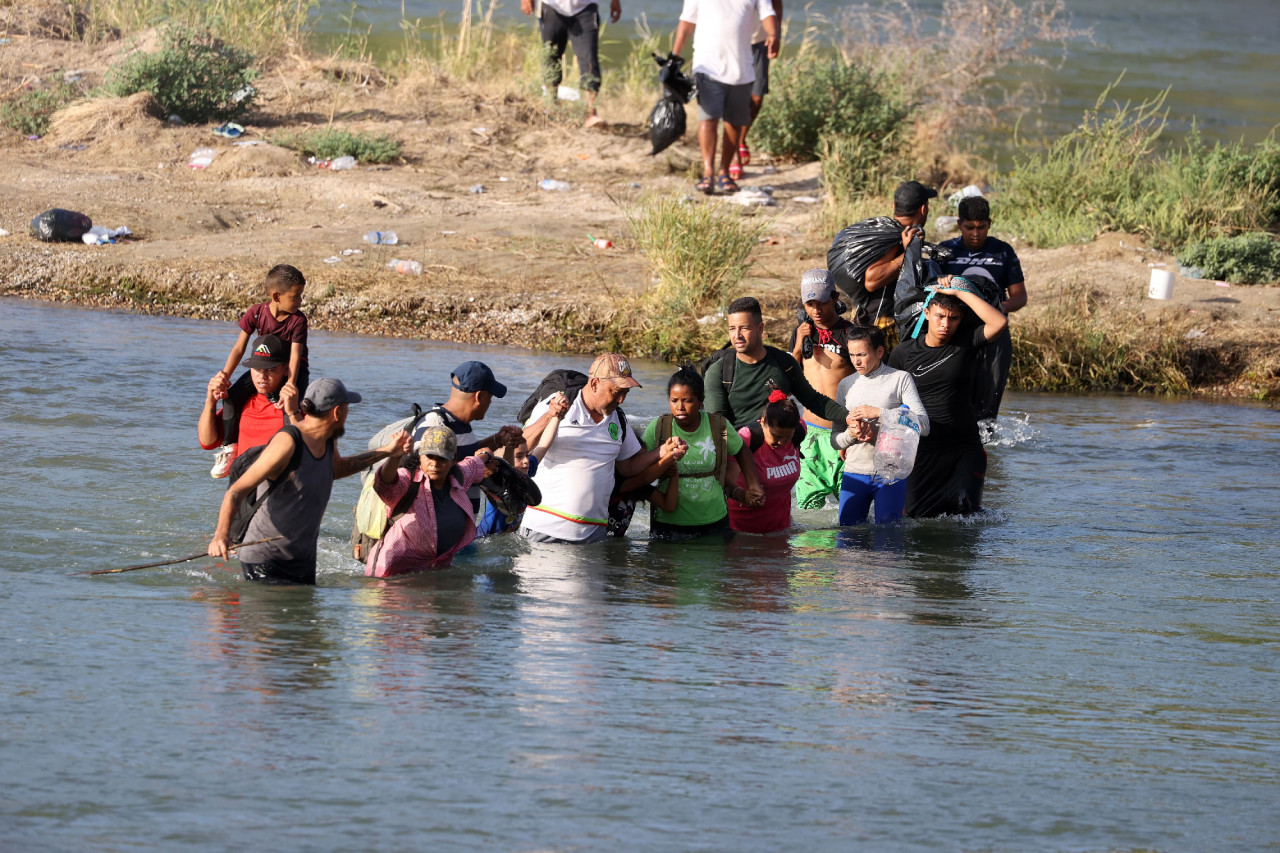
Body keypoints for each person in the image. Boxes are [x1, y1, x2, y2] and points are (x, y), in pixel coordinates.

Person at [207, 378, 411, 584]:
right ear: (337, 412)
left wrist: (387, 451)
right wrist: (220, 536)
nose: (347, 414)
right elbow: (236, 491)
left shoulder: (328, 439)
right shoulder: (288, 442)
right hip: (266, 558)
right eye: (347, 408)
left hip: (302, 558)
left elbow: (338, 469)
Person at [519, 353, 678, 544]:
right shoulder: (559, 402)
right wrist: (551, 416)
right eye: (616, 391)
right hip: (545, 531)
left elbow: (628, 467)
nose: (621, 400)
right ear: (594, 384)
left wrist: (663, 452)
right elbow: (522, 447)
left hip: (594, 537)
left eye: (625, 394)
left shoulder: (617, 419)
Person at [887, 280, 1007, 518]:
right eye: (940, 316)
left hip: (964, 448)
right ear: (927, 313)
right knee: (912, 518)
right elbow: (889, 402)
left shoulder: (967, 342)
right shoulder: (903, 353)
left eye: (953, 318)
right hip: (921, 451)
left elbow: (999, 322)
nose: (945, 324)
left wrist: (958, 292)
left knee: (966, 517)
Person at [641, 365, 764, 540]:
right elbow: (638, 464)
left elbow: (742, 451)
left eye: (688, 401)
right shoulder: (659, 427)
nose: (680, 407)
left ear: (701, 401)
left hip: (714, 522)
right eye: (674, 400)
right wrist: (662, 465)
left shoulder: (718, 425)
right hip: (668, 524)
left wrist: (754, 485)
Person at [210, 264, 309, 478]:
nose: (300, 301)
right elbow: (239, 348)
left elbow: (295, 356)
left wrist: (291, 383)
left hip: (294, 370)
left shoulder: (298, 320)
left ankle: (291, 453)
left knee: (289, 406)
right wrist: (225, 376)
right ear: (276, 296)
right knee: (230, 398)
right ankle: (229, 448)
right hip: (264, 365)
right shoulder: (256, 313)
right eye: (296, 296)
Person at [671, 0, 779, 194]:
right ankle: (707, 173)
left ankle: (724, 172)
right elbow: (686, 22)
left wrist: (773, 34)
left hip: (741, 67)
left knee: (734, 123)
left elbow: (767, 12)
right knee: (708, 118)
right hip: (707, 65)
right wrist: (674, 56)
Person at [365, 426, 501, 577]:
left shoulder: (459, 476)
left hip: (435, 572)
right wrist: (394, 457)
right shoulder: (408, 480)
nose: (435, 464)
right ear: (420, 456)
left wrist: (486, 455)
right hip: (392, 574)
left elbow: (474, 465)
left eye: (442, 458)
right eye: (430, 456)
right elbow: (385, 484)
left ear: (453, 459)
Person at [938, 195, 1027, 422]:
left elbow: (1020, 297)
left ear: (990, 223)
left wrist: (997, 308)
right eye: (969, 227)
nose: (975, 233)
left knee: (989, 404)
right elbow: (930, 290)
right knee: (953, 396)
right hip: (955, 331)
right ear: (959, 224)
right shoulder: (946, 251)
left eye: (981, 227)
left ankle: (987, 450)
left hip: (994, 332)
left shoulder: (1003, 252)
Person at [832, 325, 929, 524]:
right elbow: (835, 440)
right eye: (851, 354)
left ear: (879, 351)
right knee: (848, 542)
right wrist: (852, 434)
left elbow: (923, 425)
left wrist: (880, 414)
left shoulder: (900, 379)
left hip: (891, 474)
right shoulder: (845, 385)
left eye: (862, 354)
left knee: (888, 543)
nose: (856, 361)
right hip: (855, 472)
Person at [704, 296, 849, 429]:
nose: (737, 336)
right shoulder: (719, 372)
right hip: (739, 452)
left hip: (781, 453)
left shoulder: (784, 363)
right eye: (732, 329)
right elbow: (717, 426)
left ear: (760, 328)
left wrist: (849, 418)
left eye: (744, 328)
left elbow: (814, 400)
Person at [787, 269, 857, 509]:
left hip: (843, 432)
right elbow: (786, 380)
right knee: (807, 511)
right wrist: (797, 346)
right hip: (809, 435)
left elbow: (866, 383)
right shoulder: (800, 333)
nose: (816, 310)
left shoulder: (850, 334)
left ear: (835, 298)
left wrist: (853, 435)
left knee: (851, 513)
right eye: (810, 304)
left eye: (822, 303)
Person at [834, 181, 937, 335]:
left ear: (894, 207)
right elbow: (872, 280)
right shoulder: (896, 238)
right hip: (879, 325)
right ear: (924, 209)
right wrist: (909, 252)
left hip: (864, 316)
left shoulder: (884, 231)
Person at [198, 334, 297, 474]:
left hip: (281, 491)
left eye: (271, 369)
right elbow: (207, 442)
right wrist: (210, 402)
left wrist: (293, 412)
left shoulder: (296, 406)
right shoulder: (241, 402)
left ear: (286, 370)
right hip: (243, 490)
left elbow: (311, 453)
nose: (262, 376)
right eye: (257, 369)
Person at [475, 392, 571, 536]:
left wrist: (557, 416)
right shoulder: (501, 481)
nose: (526, 460)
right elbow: (506, 464)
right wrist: (508, 446)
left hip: (506, 539)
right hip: (484, 540)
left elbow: (544, 445)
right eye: (519, 456)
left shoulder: (524, 475)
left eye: (527, 455)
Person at [522, 0, 620, 128]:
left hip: (586, 7)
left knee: (589, 58)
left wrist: (615, 2)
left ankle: (590, 112)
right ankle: (551, 106)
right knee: (551, 56)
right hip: (552, 6)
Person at [727, 390, 803, 533]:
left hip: (780, 529)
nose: (781, 442)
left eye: (787, 436)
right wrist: (743, 496)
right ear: (763, 422)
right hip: (741, 530)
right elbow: (725, 482)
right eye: (776, 435)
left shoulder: (799, 432)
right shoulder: (747, 437)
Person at [728, 0, 783, 182]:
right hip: (732, 42)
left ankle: (741, 138)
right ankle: (734, 152)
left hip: (759, 42)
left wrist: (776, 34)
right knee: (736, 98)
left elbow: (776, 4)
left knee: (757, 97)